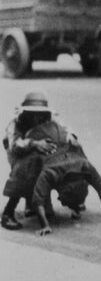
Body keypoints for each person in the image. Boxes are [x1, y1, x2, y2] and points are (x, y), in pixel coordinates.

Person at [2, 91, 76, 230]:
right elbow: (14, 145)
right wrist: (34, 144)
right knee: (23, 171)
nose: (36, 118)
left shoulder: (51, 116)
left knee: (51, 164)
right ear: (25, 113)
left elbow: (65, 129)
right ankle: (8, 212)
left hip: (40, 150)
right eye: (32, 114)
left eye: (39, 114)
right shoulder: (15, 122)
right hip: (18, 153)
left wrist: (71, 137)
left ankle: (35, 203)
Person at [31, 142, 101, 236]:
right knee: (31, 183)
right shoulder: (50, 172)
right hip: (44, 150)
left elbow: (100, 186)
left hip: (66, 151)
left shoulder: (85, 165)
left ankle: (75, 205)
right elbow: (37, 201)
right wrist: (45, 225)